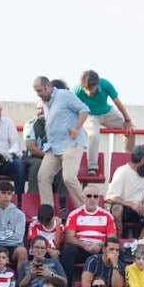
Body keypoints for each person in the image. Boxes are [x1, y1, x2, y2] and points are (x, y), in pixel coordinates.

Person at [32, 75, 89, 211]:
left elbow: (85, 110)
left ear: (49, 86)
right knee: (43, 177)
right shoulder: (45, 103)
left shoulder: (64, 95)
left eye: (40, 91)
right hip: (54, 146)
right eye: (36, 92)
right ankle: (48, 212)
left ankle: (84, 211)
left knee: (69, 178)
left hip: (71, 144)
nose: (38, 94)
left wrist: (76, 128)